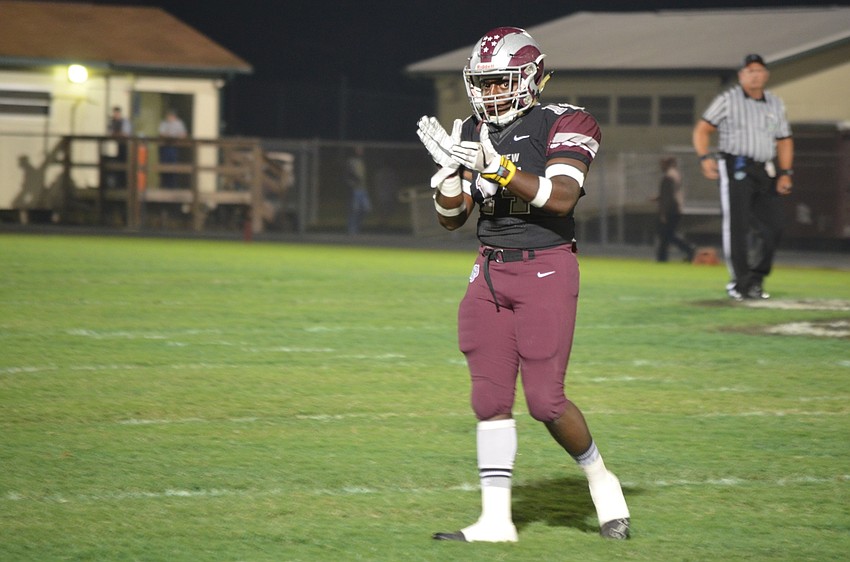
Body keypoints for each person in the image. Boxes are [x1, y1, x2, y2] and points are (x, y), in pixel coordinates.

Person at [416, 26, 630, 543]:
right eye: (483, 83)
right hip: (489, 270)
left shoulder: (566, 122)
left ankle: (602, 482)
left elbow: (560, 198)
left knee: (546, 402)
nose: (490, 94)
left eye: (500, 81)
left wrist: (499, 167)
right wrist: (448, 178)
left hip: (546, 267)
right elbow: (452, 219)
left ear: (532, 78)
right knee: (489, 399)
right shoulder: (471, 129)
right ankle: (496, 521)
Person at [692, 54, 794, 300]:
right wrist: (704, 157)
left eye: (759, 70)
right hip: (736, 166)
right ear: (741, 76)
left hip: (765, 169)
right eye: (749, 71)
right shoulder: (729, 100)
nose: (755, 75)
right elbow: (703, 129)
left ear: (766, 74)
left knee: (774, 226)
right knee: (737, 225)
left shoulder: (775, 104)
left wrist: (785, 172)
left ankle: (756, 279)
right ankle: (740, 282)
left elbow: (784, 140)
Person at [653, 156, 695, 262]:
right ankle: (688, 250)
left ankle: (688, 250)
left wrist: (663, 213)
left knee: (666, 234)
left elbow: (668, 197)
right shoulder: (675, 175)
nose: (661, 166)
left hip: (671, 210)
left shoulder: (669, 176)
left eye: (663, 164)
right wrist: (658, 198)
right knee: (668, 235)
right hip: (675, 209)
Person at [158, 108, 187, 188]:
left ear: (174, 116)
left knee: (173, 167)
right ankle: (164, 186)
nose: (169, 117)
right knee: (164, 167)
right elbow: (162, 134)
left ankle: (173, 186)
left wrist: (172, 136)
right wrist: (172, 135)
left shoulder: (179, 123)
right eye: (168, 115)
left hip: (174, 148)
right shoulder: (164, 123)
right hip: (165, 148)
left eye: (171, 115)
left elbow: (183, 135)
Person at [346, 145, 371, 234]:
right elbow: (348, 174)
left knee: (366, 209)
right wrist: (353, 182)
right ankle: (352, 229)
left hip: (363, 189)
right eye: (358, 149)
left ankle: (357, 225)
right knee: (355, 209)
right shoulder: (351, 161)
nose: (361, 151)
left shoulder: (363, 160)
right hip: (355, 189)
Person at [106, 106, 132, 188]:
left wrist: (116, 134)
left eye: (116, 113)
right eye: (114, 113)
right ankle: (118, 184)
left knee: (124, 165)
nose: (115, 115)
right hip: (115, 147)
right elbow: (109, 133)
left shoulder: (125, 122)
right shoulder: (112, 122)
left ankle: (124, 185)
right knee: (116, 165)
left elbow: (125, 134)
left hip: (124, 147)